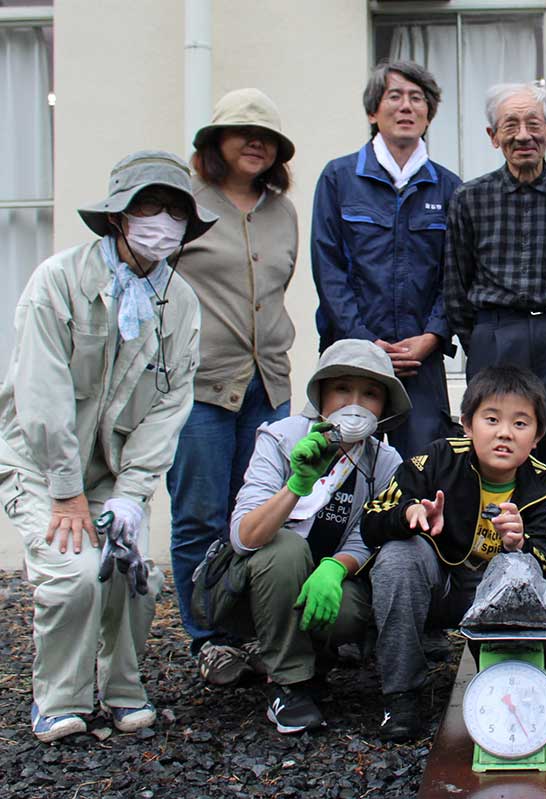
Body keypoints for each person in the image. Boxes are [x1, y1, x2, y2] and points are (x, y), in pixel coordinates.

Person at [0, 150, 214, 742]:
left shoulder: (181, 301)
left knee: (134, 574)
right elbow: (39, 395)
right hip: (43, 465)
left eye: (175, 211)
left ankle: (122, 687)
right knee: (71, 576)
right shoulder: (58, 281)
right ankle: (60, 698)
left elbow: (170, 406)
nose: (163, 222)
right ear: (118, 216)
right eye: (149, 206)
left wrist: (131, 494)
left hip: (117, 471)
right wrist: (67, 494)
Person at [168, 88, 299, 678]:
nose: (256, 144)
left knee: (271, 510)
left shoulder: (282, 212)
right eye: (244, 133)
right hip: (199, 384)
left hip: (268, 386)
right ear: (214, 142)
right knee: (200, 514)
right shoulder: (181, 205)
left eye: (267, 137)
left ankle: (261, 629)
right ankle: (208, 638)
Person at [360, 364, 546, 740]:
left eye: (521, 424)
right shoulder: (438, 458)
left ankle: (529, 696)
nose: (504, 433)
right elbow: (371, 520)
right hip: (442, 586)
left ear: (537, 437)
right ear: (467, 425)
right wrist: (410, 514)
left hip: (500, 597)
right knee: (398, 556)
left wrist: (519, 547)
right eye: (491, 419)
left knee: (525, 573)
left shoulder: (545, 483)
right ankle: (401, 697)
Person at [213, 339, 407, 735]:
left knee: (354, 608)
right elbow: (244, 536)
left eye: (370, 394)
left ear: (384, 407)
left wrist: (335, 569)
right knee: (286, 548)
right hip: (259, 584)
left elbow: (366, 536)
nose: (354, 403)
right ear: (320, 393)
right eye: (342, 389)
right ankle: (289, 685)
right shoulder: (280, 437)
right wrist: (297, 485)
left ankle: (312, 660)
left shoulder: (385, 462)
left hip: (326, 582)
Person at [444, 82, 546, 488]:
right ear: (493, 136)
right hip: (496, 334)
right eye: (510, 125)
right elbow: (456, 284)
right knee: (497, 445)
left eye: (534, 124)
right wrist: (483, 336)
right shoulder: (468, 199)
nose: (523, 135)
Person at [312, 60, 462, 457]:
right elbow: (328, 268)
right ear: (372, 111)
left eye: (417, 99)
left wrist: (432, 336)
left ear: (429, 113)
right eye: (394, 96)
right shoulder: (338, 178)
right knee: (344, 468)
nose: (406, 107)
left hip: (420, 361)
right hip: (351, 359)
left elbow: (456, 275)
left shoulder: (449, 187)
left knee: (424, 469)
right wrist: (363, 341)